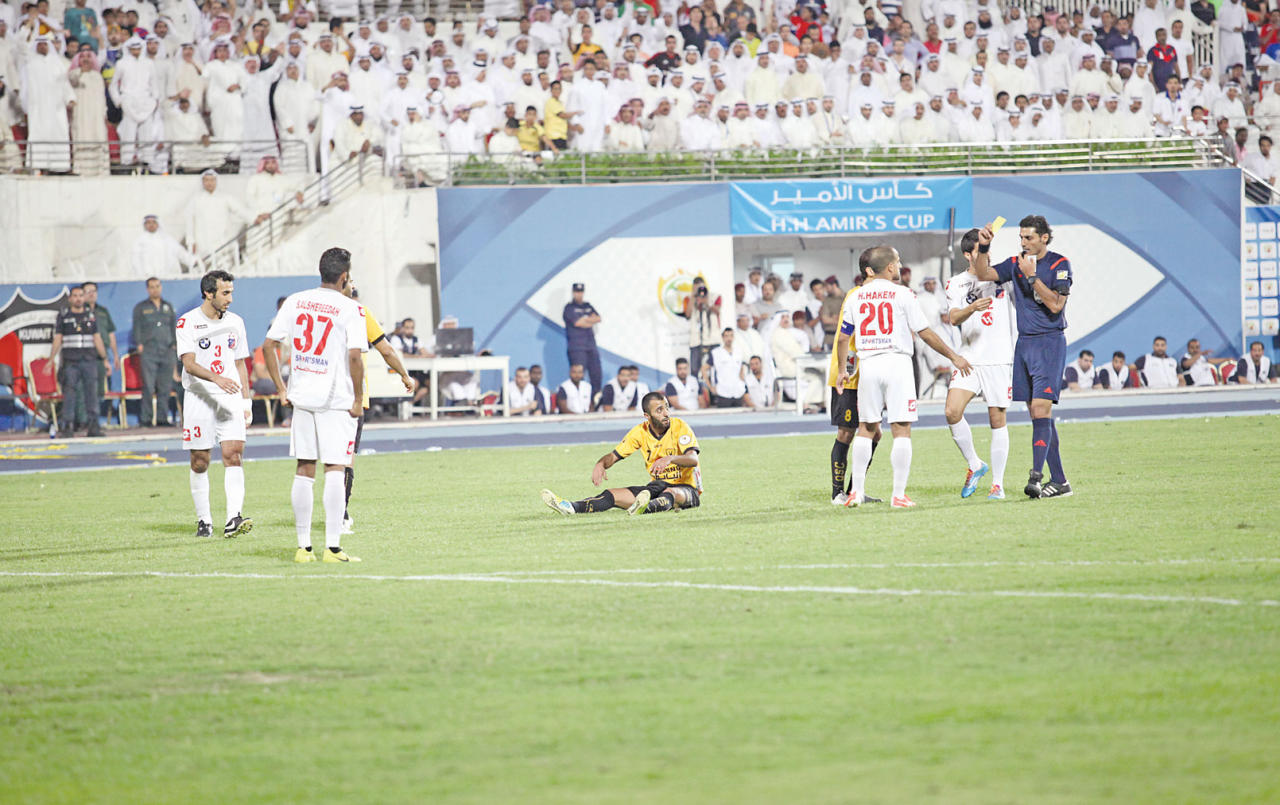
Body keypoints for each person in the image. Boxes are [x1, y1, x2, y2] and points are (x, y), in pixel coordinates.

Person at [840, 246, 972, 508]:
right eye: (898, 262)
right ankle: (898, 495)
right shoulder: (903, 294)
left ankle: (856, 492)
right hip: (897, 363)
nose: (899, 266)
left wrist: (844, 370)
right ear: (889, 267)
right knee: (901, 429)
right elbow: (925, 332)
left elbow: (844, 337)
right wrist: (953, 356)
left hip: (869, 365)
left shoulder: (856, 296)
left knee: (866, 428)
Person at [262, 247, 368, 564]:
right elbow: (354, 357)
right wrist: (358, 399)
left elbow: (269, 345)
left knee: (304, 468)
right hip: (335, 399)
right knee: (335, 467)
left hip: (302, 396)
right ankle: (332, 548)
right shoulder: (351, 308)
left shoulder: (296, 300)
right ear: (344, 276)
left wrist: (281, 388)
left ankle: (303, 548)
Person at [971, 215, 1073, 499]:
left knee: (1040, 410)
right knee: (1039, 415)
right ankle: (1060, 481)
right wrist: (983, 247)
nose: (1024, 242)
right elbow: (983, 274)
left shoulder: (1059, 264)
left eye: (1029, 237)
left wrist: (1032, 277)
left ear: (1044, 238)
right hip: (1025, 344)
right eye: (1021, 237)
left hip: (1049, 342)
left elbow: (1056, 305)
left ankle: (1036, 478)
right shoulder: (1015, 263)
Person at [175, 270, 253, 538]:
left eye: (231, 292)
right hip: (200, 397)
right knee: (200, 461)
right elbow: (189, 364)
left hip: (230, 396)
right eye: (225, 293)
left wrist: (246, 402)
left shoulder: (236, 322)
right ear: (208, 294)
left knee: (233, 455)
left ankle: (233, 518)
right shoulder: (187, 322)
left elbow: (240, 363)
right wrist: (216, 378)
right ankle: (204, 520)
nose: (230, 299)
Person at [540, 391, 702, 516]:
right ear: (647, 416)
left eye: (667, 407)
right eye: (659, 410)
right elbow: (614, 455)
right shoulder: (640, 432)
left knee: (670, 494)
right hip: (656, 487)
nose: (666, 413)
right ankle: (571, 507)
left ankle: (643, 508)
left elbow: (693, 459)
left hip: (687, 489)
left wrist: (670, 459)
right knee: (611, 495)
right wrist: (601, 464)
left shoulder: (680, 426)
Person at [944, 229, 1016, 501]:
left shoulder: (1003, 278)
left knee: (997, 419)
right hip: (970, 358)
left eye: (988, 249)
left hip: (999, 358)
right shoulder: (956, 283)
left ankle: (997, 484)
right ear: (967, 254)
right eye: (979, 249)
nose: (986, 254)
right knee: (952, 411)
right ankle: (975, 464)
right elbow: (953, 318)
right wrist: (972, 308)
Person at [340, 281, 415, 535]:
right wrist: (404, 374)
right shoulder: (360, 313)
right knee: (346, 459)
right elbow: (386, 349)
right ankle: (340, 514)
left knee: (320, 462)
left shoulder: (316, 311)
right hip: (352, 397)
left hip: (323, 397)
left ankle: (318, 524)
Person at [828, 249, 882, 505]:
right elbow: (846, 338)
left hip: (868, 376)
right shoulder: (857, 295)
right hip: (851, 375)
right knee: (846, 433)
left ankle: (854, 491)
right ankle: (838, 493)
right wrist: (845, 371)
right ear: (870, 271)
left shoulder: (876, 296)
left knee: (874, 434)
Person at [46, 285, 109, 438]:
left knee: (91, 394)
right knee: (69, 395)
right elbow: (58, 338)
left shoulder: (91, 315)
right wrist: (51, 359)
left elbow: (97, 338)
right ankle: (68, 426)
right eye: (75, 296)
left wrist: (105, 359)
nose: (78, 299)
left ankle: (93, 426)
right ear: (70, 298)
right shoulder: (64, 316)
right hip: (71, 362)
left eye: (81, 295)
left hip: (89, 360)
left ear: (84, 297)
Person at [131, 277, 179, 426]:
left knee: (165, 387)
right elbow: (136, 328)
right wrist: (139, 343)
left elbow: (173, 327)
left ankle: (162, 418)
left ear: (161, 287)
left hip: (167, 351)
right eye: (152, 287)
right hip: (149, 351)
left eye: (157, 286)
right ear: (147, 289)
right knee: (148, 386)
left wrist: (175, 344)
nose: (155, 289)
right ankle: (146, 419)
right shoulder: (141, 307)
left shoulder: (167, 306)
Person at [80, 282, 117, 427]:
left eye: (93, 291)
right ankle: (83, 420)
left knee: (100, 390)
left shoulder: (103, 311)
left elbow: (110, 334)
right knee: (84, 390)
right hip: (85, 355)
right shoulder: (79, 311)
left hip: (101, 355)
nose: (91, 294)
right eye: (87, 291)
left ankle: (94, 420)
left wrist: (114, 355)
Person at [563, 282, 603, 394]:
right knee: (578, 376)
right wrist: (589, 320)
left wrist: (585, 320)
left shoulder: (587, 306)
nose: (579, 294)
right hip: (577, 347)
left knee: (596, 374)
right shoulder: (569, 308)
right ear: (573, 292)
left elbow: (598, 318)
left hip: (591, 345)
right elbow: (578, 323)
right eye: (576, 292)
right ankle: (578, 399)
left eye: (581, 292)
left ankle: (595, 400)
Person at [130, 215, 197, 277]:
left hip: (168, 276)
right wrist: (140, 275)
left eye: (154, 222)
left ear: (158, 224)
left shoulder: (167, 239)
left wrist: (193, 261)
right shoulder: (139, 242)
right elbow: (135, 261)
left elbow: (179, 252)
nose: (151, 225)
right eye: (148, 223)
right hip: (148, 278)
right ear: (145, 225)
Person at [705, 329, 754, 408]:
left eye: (731, 336)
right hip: (723, 392)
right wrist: (710, 387)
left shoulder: (738, 352)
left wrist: (743, 384)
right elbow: (704, 369)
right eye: (726, 336)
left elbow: (741, 369)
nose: (729, 338)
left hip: (738, 392)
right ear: (722, 338)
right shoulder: (716, 353)